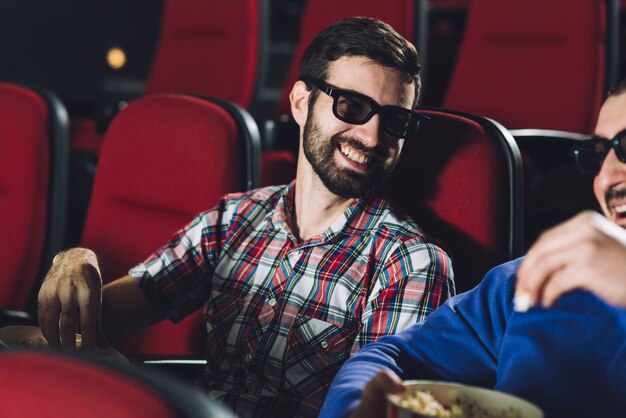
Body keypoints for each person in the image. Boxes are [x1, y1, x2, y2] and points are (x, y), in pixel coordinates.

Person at [37, 17, 454, 417]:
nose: (373, 136)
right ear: (301, 102)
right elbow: (105, 313)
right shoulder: (235, 217)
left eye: (396, 120)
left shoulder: (411, 265)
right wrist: (75, 261)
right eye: (352, 106)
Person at [318, 84, 626, 418]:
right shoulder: (531, 281)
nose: (606, 178)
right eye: (598, 155)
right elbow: (397, 356)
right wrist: (357, 404)